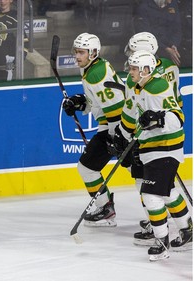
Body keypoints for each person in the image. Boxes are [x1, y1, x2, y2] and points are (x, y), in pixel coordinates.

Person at [114, 50, 192, 261]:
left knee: (150, 194)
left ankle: (162, 241)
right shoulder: (139, 88)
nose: (130, 73)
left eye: (133, 69)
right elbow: (131, 115)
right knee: (167, 192)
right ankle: (187, 230)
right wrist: (121, 135)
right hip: (150, 146)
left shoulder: (158, 87)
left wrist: (159, 118)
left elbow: (177, 118)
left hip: (166, 146)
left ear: (146, 70)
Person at [62, 32, 125, 227]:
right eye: (76, 52)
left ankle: (164, 218)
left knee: (143, 174)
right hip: (116, 124)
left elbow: (115, 106)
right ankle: (106, 208)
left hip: (119, 125)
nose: (77, 56)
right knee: (88, 168)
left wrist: (117, 135)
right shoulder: (92, 68)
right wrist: (80, 103)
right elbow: (97, 101)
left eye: (81, 52)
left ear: (93, 53)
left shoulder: (96, 73)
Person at [133, 0, 182, 66]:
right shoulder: (143, 8)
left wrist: (174, 45)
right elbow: (145, 35)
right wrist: (165, 49)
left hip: (173, 48)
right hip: (152, 51)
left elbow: (177, 28)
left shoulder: (173, 4)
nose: (170, 2)